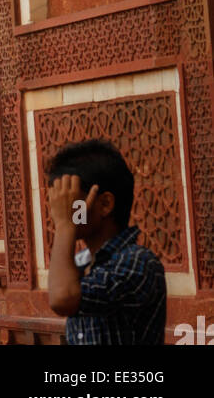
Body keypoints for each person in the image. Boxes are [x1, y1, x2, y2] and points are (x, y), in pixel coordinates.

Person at [47, 138, 166, 344]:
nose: (60, 212)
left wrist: (66, 225)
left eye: (70, 203)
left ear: (105, 204)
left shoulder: (138, 262)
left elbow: (62, 298)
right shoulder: (82, 262)